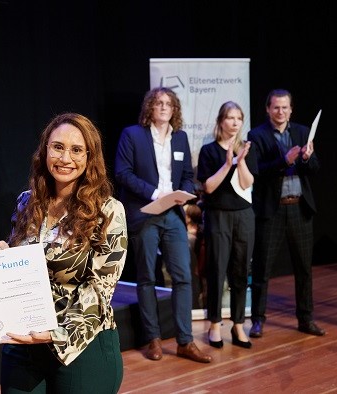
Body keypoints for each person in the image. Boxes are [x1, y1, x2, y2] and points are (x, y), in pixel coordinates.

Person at [0, 113, 128, 393]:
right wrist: (2, 258)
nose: (65, 158)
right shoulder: (27, 202)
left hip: (82, 346)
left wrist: (56, 335)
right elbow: (24, 265)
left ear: (90, 157)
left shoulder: (108, 211)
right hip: (25, 343)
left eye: (76, 150)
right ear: (45, 150)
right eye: (57, 147)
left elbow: (101, 288)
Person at [114, 87, 212, 363]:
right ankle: (153, 339)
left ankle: (185, 341)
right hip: (145, 212)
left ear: (175, 109)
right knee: (147, 277)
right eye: (158, 103)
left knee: (183, 276)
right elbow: (122, 173)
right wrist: (155, 193)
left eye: (169, 103)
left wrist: (181, 194)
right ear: (150, 107)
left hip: (173, 215)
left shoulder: (180, 138)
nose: (164, 107)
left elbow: (189, 176)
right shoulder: (132, 135)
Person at [248, 89, 325, 338]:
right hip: (273, 209)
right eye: (276, 108)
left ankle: (306, 318)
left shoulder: (302, 132)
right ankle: (257, 320)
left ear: (291, 109)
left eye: (285, 108)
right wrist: (285, 160)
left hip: (299, 208)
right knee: (262, 268)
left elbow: (314, 169)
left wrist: (307, 158)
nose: (280, 112)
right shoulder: (257, 135)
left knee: (304, 268)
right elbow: (257, 172)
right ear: (268, 109)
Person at [197, 101, 256, 349]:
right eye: (230, 118)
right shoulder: (209, 150)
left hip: (243, 215)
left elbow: (247, 183)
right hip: (218, 215)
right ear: (221, 121)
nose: (234, 123)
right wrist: (227, 162)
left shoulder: (247, 148)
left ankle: (239, 324)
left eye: (239, 118)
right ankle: (214, 324)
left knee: (241, 271)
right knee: (217, 270)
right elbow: (208, 187)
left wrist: (240, 161)